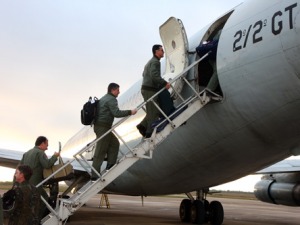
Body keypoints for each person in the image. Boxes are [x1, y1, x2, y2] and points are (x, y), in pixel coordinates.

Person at [91, 83, 137, 180]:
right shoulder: (111, 99)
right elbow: (116, 113)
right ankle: (94, 176)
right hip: (103, 127)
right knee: (100, 151)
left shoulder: (104, 98)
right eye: (117, 90)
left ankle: (110, 165)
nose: (119, 92)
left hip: (103, 127)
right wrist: (130, 112)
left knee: (115, 143)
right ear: (112, 90)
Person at [19, 136, 60, 221]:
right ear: (42, 143)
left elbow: (20, 168)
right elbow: (47, 164)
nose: (47, 148)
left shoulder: (26, 153)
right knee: (43, 199)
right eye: (46, 145)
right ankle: (37, 219)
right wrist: (55, 156)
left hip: (26, 183)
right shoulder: (40, 153)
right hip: (36, 184)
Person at [136, 44, 171, 138]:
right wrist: (164, 83)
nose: (163, 52)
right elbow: (154, 75)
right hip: (149, 90)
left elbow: (144, 74)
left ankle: (142, 125)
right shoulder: (156, 62)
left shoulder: (150, 62)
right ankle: (149, 132)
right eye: (161, 50)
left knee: (153, 109)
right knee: (154, 111)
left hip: (147, 89)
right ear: (156, 51)